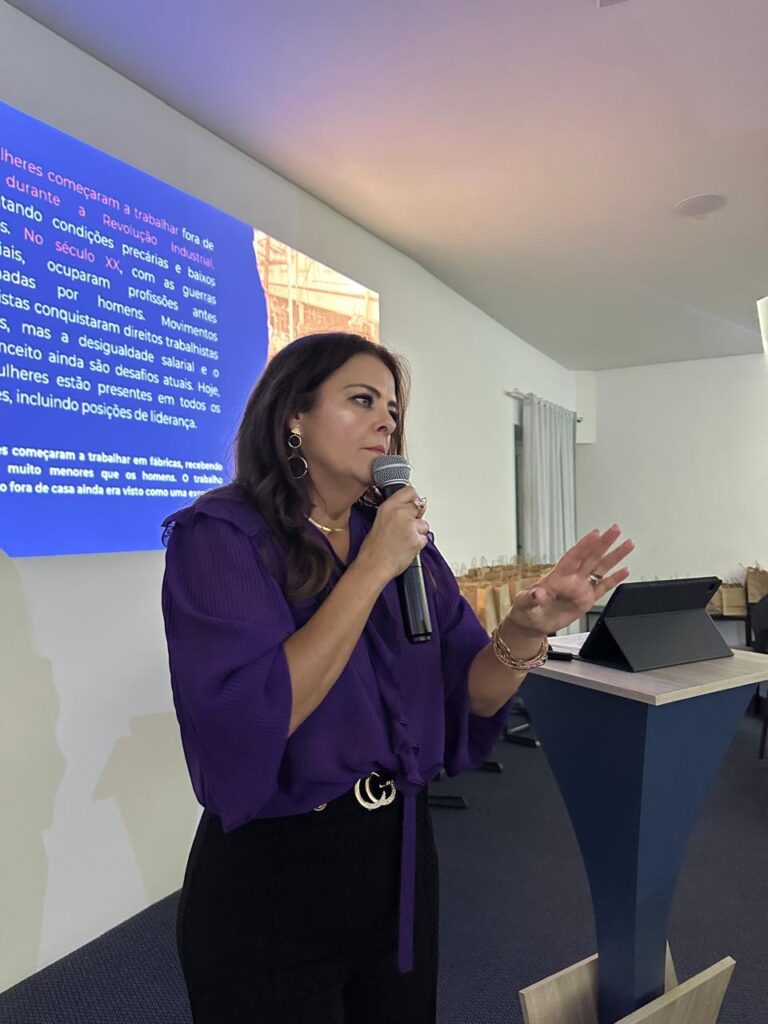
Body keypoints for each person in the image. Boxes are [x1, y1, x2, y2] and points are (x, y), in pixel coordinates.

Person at [160, 332, 633, 1024]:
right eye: (362, 400)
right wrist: (373, 566)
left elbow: (471, 694)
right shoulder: (223, 536)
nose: (386, 420)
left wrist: (528, 627)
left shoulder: (402, 542)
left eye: (392, 407)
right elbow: (254, 712)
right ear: (293, 415)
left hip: (399, 854)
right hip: (278, 868)